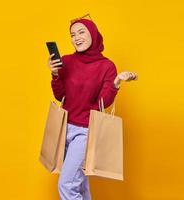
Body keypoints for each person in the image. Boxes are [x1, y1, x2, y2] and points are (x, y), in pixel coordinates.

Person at [47, 17, 137, 200]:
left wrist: (116, 83)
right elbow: (60, 96)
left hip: (85, 132)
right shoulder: (66, 61)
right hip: (64, 129)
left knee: (66, 184)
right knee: (78, 183)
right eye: (72, 34)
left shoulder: (106, 66)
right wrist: (55, 74)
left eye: (81, 32)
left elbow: (103, 103)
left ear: (93, 34)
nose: (76, 38)